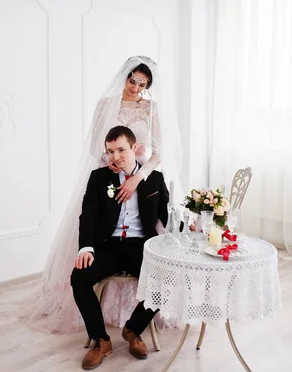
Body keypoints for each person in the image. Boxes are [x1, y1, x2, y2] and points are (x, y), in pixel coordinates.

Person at [26, 56, 183, 334]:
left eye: (142, 84)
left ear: (148, 86)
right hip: (108, 176)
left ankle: (133, 326)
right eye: (132, 80)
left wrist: (137, 177)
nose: (135, 87)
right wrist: (109, 159)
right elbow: (93, 147)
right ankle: (98, 330)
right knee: (96, 227)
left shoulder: (151, 109)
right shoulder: (105, 106)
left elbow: (158, 152)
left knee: (150, 237)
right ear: (124, 76)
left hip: (141, 177)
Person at [73, 125, 168, 369]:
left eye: (121, 150)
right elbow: (88, 216)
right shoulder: (99, 177)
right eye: (110, 151)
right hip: (108, 246)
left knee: (167, 276)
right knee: (80, 277)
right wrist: (86, 248)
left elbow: (166, 217)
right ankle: (100, 340)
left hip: (141, 246)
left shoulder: (155, 178)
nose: (115, 157)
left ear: (135, 148)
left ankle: (133, 329)